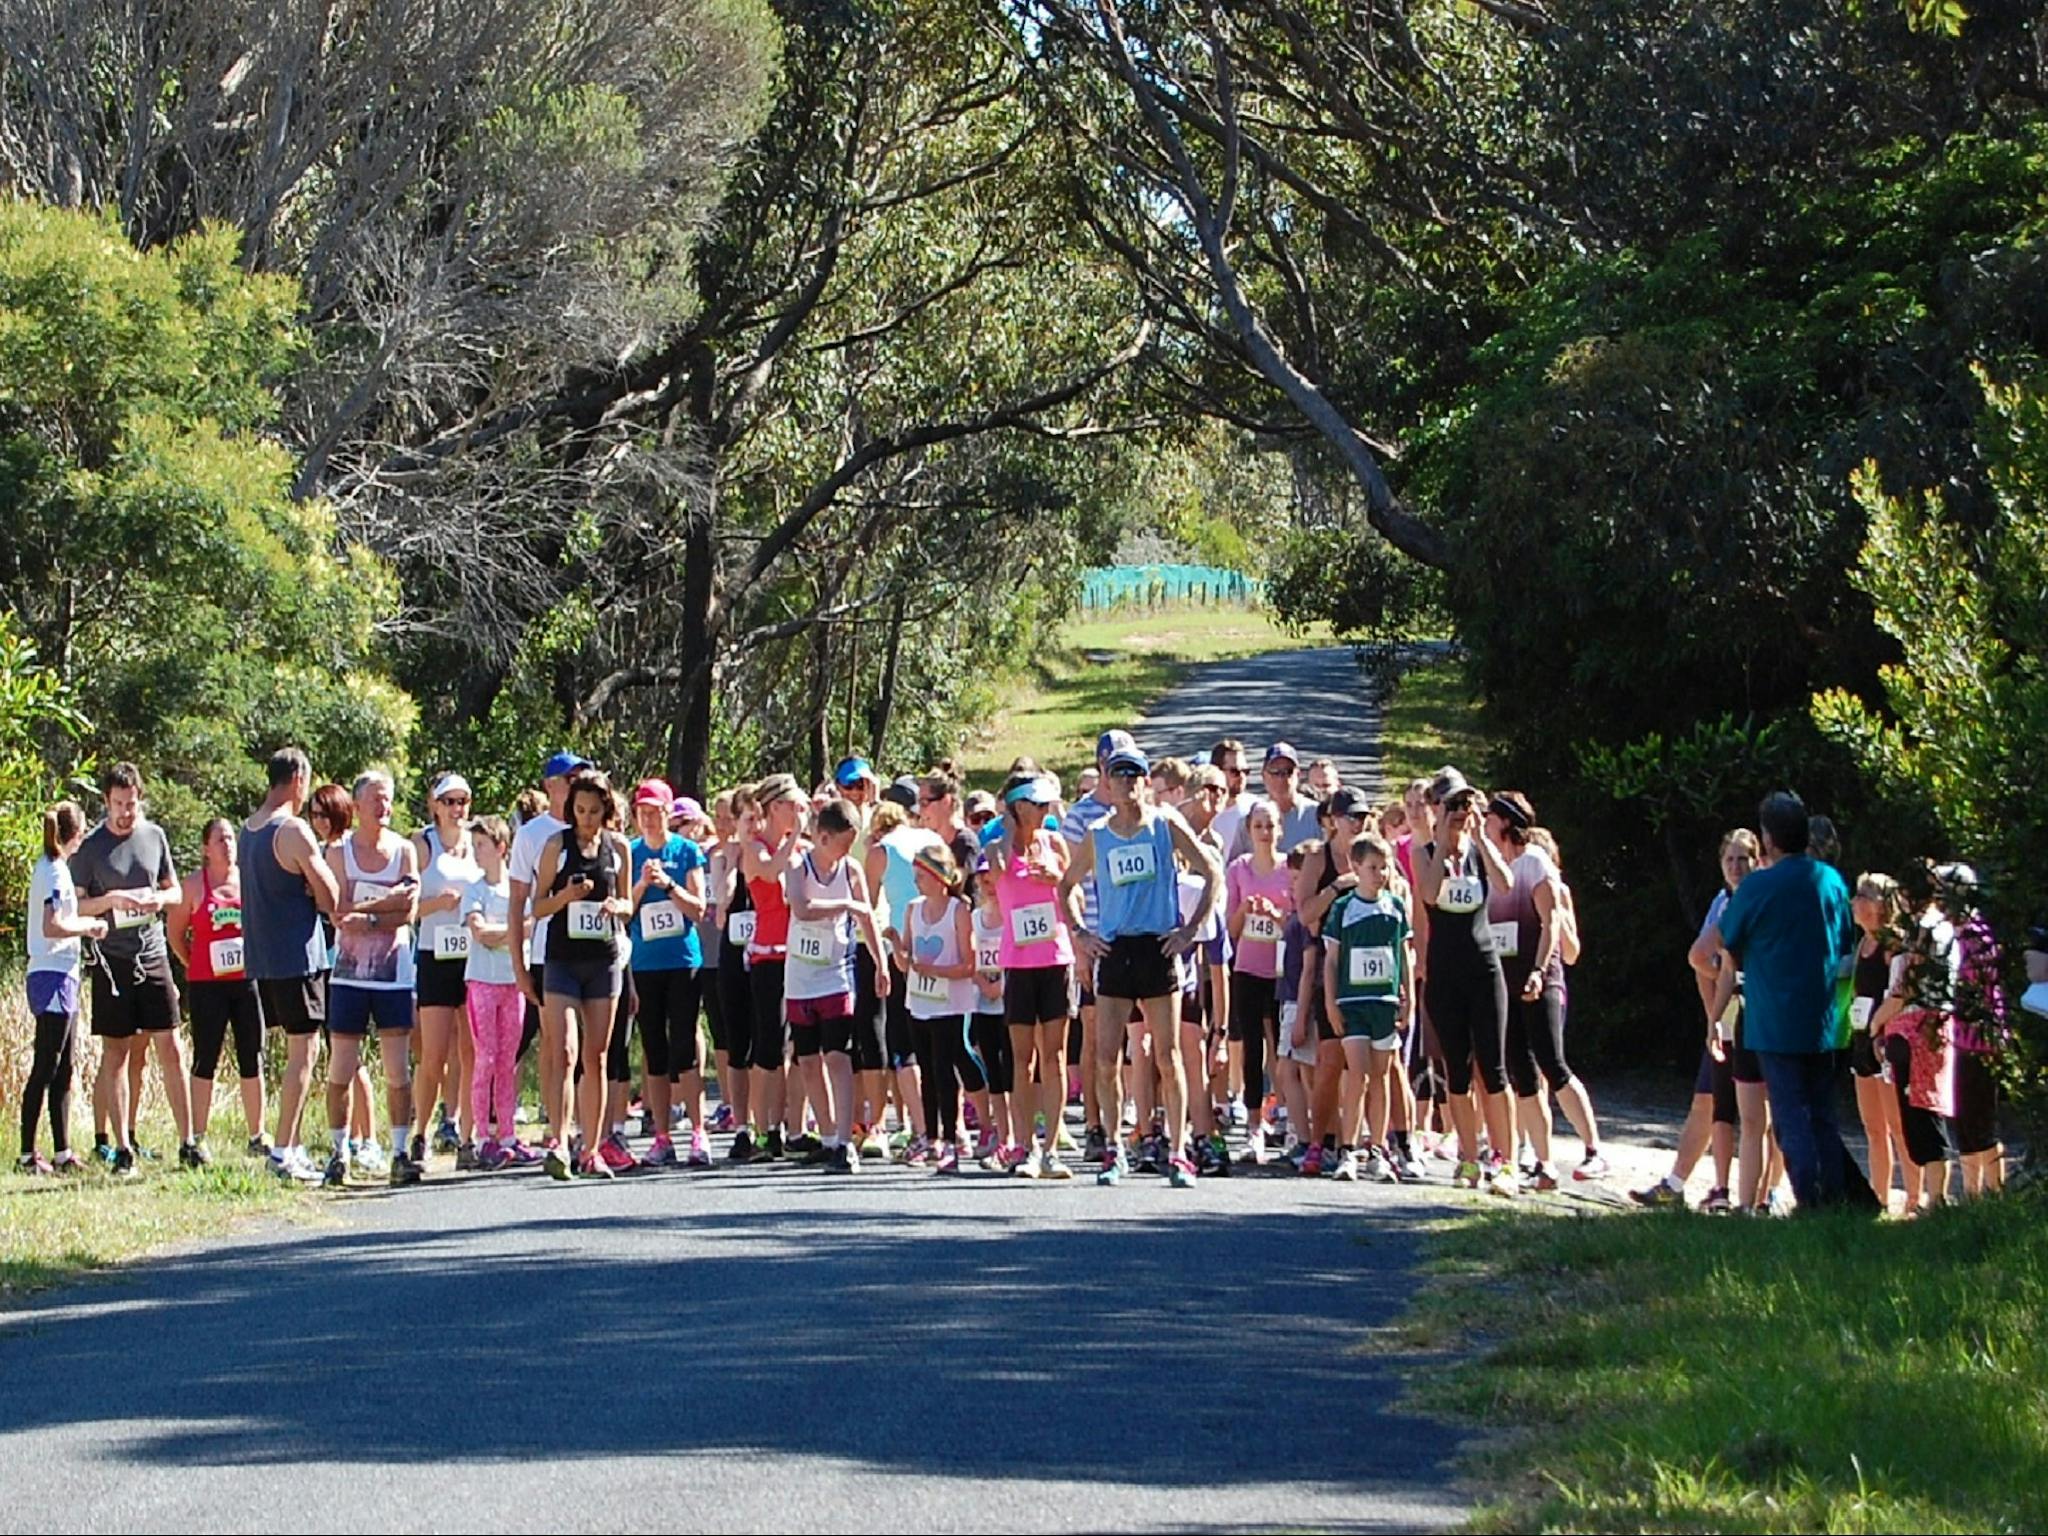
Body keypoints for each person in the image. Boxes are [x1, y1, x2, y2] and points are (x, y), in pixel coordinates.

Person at [1691, 791, 1873, 1213]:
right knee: (1823, 1116)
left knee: (1791, 1119)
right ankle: (1839, 1202)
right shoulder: (1830, 881)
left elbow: (1723, 948)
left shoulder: (1758, 886)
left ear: (1768, 839)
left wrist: (1714, 1017)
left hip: (1774, 1022)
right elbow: (1845, 942)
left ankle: (1813, 1204)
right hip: (1827, 1020)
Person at [1059, 740, 1221, 1189]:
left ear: (1145, 783)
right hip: (1114, 951)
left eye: (1134, 776)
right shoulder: (1099, 835)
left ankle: (1177, 1151)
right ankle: (1114, 1150)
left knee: (1168, 1056)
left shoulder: (1165, 825)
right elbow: (1066, 885)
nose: (1126, 783)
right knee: (1108, 1059)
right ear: (1106, 782)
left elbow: (1210, 872)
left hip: (1157, 948)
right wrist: (1081, 933)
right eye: (1118, 775)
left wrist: (1189, 930)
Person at [69, 763, 198, 1168]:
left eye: (132, 803)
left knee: (170, 1046)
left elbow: (174, 890)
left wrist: (157, 901)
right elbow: (75, 905)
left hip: (152, 951)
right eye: (119, 804)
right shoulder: (91, 848)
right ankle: (122, 1147)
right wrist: (112, 900)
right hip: (112, 959)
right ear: (106, 802)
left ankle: (189, 1141)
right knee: (118, 1052)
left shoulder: (154, 836)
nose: (126, 812)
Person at [1483, 794, 1606, 1186]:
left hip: (1541, 980)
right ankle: (1543, 1161)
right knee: (1522, 1074)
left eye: (1490, 816)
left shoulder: (1534, 862)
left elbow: (1551, 922)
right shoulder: (1493, 869)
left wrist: (1538, 971)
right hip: (1507, 982)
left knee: (1553, 1064)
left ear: (1505, 822)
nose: (1484, 822)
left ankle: (1593, 1150)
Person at [1634, 830, 1756, 1210]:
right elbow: (1701, 962)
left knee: (1757, 1112)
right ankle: (1681, 1184)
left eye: (1743, 859)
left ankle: (1760, 1194)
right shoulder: (1721, 903)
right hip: (1727, 1013)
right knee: (1708, 1102)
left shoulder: (1758, 902)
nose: (1736, 867)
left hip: (1759, 1015)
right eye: (1729, 860)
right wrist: (1712, 1017)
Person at [1415, 778, 1519, 1195]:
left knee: (1493, 1069)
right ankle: (1469, 1158)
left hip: (1484, 969)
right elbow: (1428, 893)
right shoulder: (1426, 854)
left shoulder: (1479, 852)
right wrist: (1443, 838)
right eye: (1450, 804)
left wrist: (1478, 836)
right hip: (1445, 974)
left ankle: (1506, 1160)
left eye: (1464, 803)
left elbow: (1506, 883)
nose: (1458, 811)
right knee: (1456, 1071)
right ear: (1436, 808)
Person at [241, 750, 341, 1182]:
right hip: (298, 955)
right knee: (306, 1051)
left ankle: (292, 1144)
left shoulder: (248, 829)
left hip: (264, 957)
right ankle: (283, 1149)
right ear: (298, 779)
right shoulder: (292, 829)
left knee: (294, 1051)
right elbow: (331, 895)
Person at [531, 770, 635, 1179]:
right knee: (565, 1051)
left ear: (605, 809)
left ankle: (591, 1148)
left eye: (594, 811)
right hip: (561, 960)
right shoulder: (555, 846)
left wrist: (616, 908)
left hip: (603, 960)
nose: (587, 818)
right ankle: (560, 1141)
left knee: (597, 1055)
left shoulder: (619, 847)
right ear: (570, 809)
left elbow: (629, 903)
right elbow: (537, 907)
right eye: (580, 810)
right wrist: (565, 897)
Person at [323, 770, 423, 1187]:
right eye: (375, 800)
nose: (383, 807)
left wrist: (370, 914)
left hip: (393, 975)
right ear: (358, 805)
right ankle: (339, 1151)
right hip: (347, 975)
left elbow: (409, 913)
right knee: (341, 1068)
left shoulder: (404, 852)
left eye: (388, 799)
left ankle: (400, 1150)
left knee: (398, 1071)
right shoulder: (338, 852)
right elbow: (338, 912)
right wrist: (384, 905)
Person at [781, 797, 888, 1172]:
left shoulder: (852, 869)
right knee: (808, 1060)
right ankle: (827, 1136)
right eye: (842, 844)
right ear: (822, 837)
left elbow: (868, 918)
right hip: (800, 976)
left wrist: (880, 962)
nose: (846, 853)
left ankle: (845, 1140)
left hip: (836, 974)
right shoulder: (798, 864)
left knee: (838, 1057)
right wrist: (847, 906)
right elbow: (802, 907)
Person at [617, 779, 710, 1169]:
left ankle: (698, 1132)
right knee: (653, 1049)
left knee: (684, 1047)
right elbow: (624, 910)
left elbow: (699, 908)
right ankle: (661, 1135)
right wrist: (641, 884)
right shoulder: (630, 853)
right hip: (645, 963)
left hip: (682, 960)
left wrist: (669, 884)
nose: (649, 820)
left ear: (668, 813)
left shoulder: (686, 851)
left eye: (656, 812)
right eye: (643, 813)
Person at [990, 771, 1075, 1180]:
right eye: (1037, 805)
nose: (1045, 812)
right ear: (1019, 807)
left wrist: (1057, 879)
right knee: (1022, 1059)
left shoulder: (1056, 844)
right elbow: (998, 868)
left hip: (1055, 957)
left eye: (1047, 805)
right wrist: (1009, 831)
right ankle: (1025, 1146)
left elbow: (1074, 893)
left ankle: (1053, 1148)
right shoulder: (997, 847)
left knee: (1054, 1056)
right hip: (1018, 962)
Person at [167, 817, 265, 1157]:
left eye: (231, 839)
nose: (228, 845)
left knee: (251, 1055)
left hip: (245, 981)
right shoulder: (193, 887)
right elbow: (174, 934)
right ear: (206, 848)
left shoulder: (249, 882)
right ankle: (197, 1138)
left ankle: (257, 1136)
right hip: (206, 985)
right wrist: (191, 960)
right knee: (205, 1057)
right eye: (220, 839)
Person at [1322, 833, 1414, 1183]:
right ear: (1355, 868)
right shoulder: (1344, 909)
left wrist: (1410, 1000)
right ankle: (1348, 1149)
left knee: (1381, 1076)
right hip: (1353, 1002)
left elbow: (1403, 955)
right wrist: (1331, 1002)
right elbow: (1331, 960)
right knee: (1357, 1074)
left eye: (1385, 866)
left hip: (1385, 1003)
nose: (1380, 873)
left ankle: (1377, 1148)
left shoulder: (1395, 906)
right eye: (1373, 867)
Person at [21, 801, 107, 1174]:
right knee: (47, 1063)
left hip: (64, 973)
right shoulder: (54, 872)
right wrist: (87, 926)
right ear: (73, 834)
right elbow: (52, 925)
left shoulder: (57, 869)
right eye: (83, 828)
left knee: (64, 1066)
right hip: (51, 974)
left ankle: (62, 1149)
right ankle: (27, 1153)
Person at [306, 783, 384, 1173]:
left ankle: (367, 1138)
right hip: (325, 960)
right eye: (313, 815)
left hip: (351, 960)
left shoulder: (348, 851)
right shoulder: (318, 852)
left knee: (352, 1059)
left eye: (324, 814)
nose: (318, 822)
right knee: (341, 1055)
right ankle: (350, 1138)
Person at [508, 751, 584, 1133]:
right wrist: (519, 969)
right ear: (550, 785)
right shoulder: (531, 834)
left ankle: (594, 1134)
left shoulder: (599, 828)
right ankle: (559, 1132)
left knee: (590, 1051)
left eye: (582, 778)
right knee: (559, 1049)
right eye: (570, 779)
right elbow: (517, 903)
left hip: (595, 952)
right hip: (547, 953)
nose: (576, 786)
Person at [737, 774, 809, 1162]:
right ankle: (765, 1129)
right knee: (768, 1046)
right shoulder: (756, 849)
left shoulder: (797, 850)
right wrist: (795, 838)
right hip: (769, 955)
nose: (799, 813)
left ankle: (795, 1126)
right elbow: (769, 872)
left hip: (802, 955)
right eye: (792, 806)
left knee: (799, 1047)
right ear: (774, 808)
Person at [897, 842, 980, 1170]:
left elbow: (968, 965)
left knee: (945, 1071)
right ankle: (929, 1137)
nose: (917, 881)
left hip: (950, 1004)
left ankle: (950, 1137)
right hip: (919, 1002)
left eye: (923, 875)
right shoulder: (912, 909)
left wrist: (936, 971)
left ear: (941, 878)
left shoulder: (958, 910)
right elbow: (906, 961)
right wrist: (894, 946)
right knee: (927, 1071)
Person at [411, 773, 480, 1165]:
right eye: (449, 801)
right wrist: (437, 904)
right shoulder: (422, 846)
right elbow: (406, 908)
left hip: (472, 957)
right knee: (434, 1052)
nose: (457, 809)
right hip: (435, 954)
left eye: (463, 801)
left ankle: (465, 1136)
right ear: (435, 804)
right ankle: (420, 1132)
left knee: (471, 1051)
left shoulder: (478, 843)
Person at [868, 794, 942, 1155]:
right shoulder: (930, 838)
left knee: (905, 1045)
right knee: (943, 1037)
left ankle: (922, 1129)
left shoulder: (881, 850)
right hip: (941, 943)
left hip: (902, 948)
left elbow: (867, 903)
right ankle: (950, 1127)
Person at [460, 816, 533, 1169]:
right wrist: (513, 932)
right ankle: (481, 1136)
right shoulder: (474, 890)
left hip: (512, 982)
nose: (476, 853)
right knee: (485, 1057)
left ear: (502, 848)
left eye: (482, 846)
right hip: (482, 982)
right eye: (473, 846)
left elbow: (530, 926)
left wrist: (505, 933)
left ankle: (507, 1133)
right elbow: (480, 933)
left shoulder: (518, 890)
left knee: (508, 1059)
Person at [1933, 863, 2007, 1197]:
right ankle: (1973, 1196)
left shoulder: (1975, 937)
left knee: (1980, 1124)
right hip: (1959, 1042)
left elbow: (1965, 992)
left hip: (1980, 1045)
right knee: (1963, 1123)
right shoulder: (1956, 933)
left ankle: (1991, 1196)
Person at [1226, 801, 1292, 1164]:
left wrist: (1276, 915)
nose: (1265, 833)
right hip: (1248, 969)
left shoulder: (1289, 869)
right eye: (1258, 827)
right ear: (1249, 832)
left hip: (1281, 971)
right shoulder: (1239, 869)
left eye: (1270, 826)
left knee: (1282, 1049)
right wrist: (1245, 911)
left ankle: (1284, 1115)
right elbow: (1231, 931)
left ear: (1279, 829)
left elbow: (1296, 926)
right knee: (1252, 1048)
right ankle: (1254, 1125)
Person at [1847, 872, 1910, 1211]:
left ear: (1880, 904)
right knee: (1873, 1127)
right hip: (1861, 1038)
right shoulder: (1863, 944)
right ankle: (1879, 1197)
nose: (1855, 902)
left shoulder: (1893, 945)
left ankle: (1914, 1197)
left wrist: (1878, 1030)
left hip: (1884, 1040)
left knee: (1898, 1127)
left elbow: (1899, 994)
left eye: (1863, 896)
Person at [1226, 743, 1321, 861]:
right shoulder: (1250, 821)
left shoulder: (1316, 815)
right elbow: (1233, 868)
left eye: (1288, 771)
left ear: (1298, 775)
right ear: (1264, 776)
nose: (1281, 778)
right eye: (1275, 772)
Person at [1207, 738, 1254, 855]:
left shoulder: (1255, 808)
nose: (1242, 777)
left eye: (1245, 771)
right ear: (1217, 771)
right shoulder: (1204, 814)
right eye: (1235, 771)